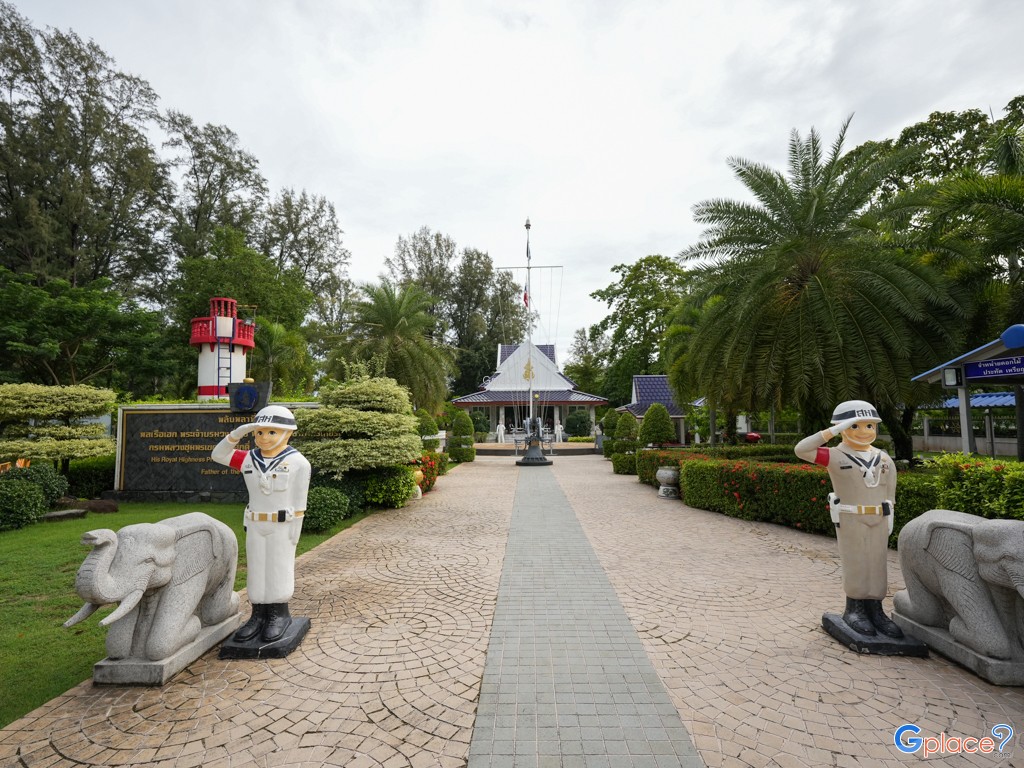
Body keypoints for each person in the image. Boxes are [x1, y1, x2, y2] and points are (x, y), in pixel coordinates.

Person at [794, 400, 903, 638]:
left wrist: (890, 512)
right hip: (852, 517)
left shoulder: (883, 458)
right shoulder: (834, 455)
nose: (863, 432)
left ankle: (876, 610)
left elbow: (890, 491)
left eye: (869, 426)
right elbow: (802, 450)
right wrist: (831, 431)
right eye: (855, 426)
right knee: (856, 562)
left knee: (877, 564)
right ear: (843, 427)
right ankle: (854, 609)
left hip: (879, 517)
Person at [212, 405, 310, 643]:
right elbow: (218, 455)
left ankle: (278, 615)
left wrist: (294, 532)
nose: (264, 438)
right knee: (257, 568)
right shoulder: (249, 458)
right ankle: (257, 615)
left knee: (278, 567)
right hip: (255, 522)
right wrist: (236, 434)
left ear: (287, 434)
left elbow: (299, 502)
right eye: (259, 433)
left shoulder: (298, 463)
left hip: (282, 524)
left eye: (272, 433)